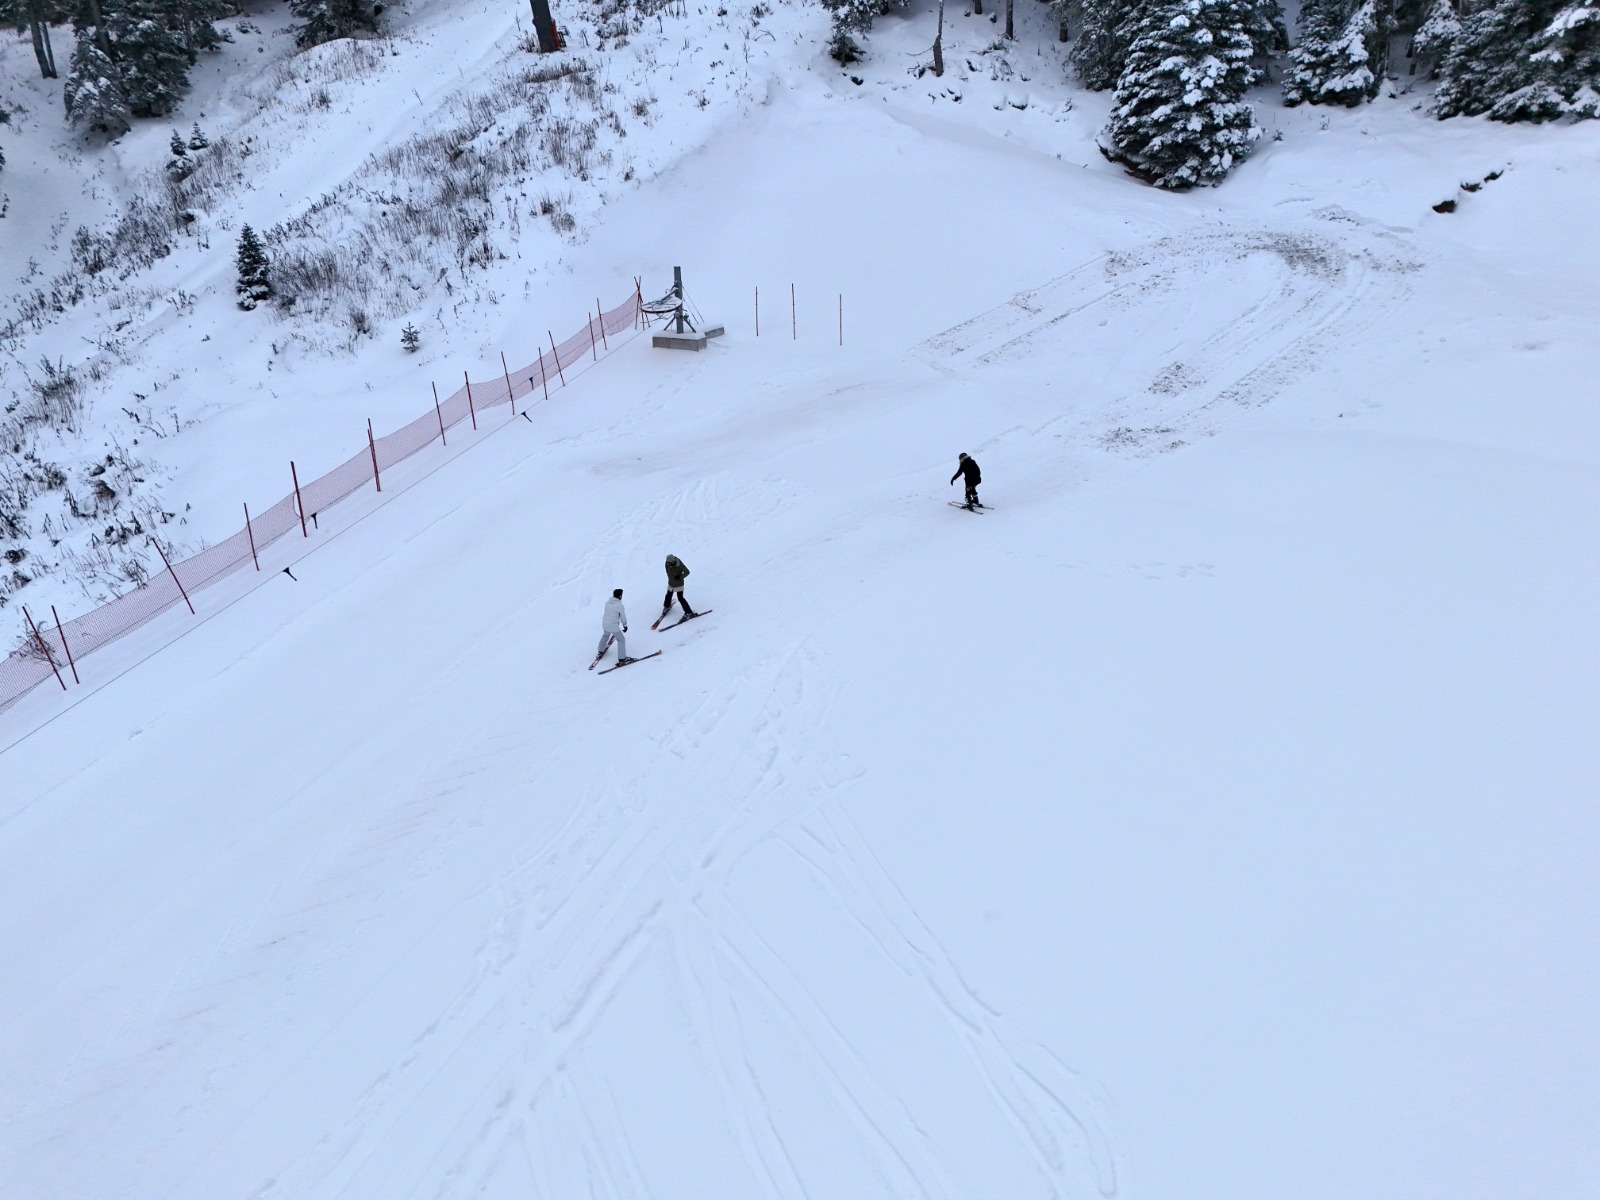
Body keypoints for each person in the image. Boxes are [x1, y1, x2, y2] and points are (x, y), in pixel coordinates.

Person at [654, 554, 698, 627]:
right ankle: (667, 606)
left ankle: (689, 612)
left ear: (673, 561)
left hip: (679, 584)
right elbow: (668, 572)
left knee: (680, 598)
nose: (668, 564)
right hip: (671, 583)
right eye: (667, 563)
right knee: (668, 594)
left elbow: (687, 572)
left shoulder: (679, 563)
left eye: (669, 563)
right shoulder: (667, 563)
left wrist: (680, 576)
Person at [592, 588, 629, 668]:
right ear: (619, 596)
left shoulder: (607, 603)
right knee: (621, 639)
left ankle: (600, 651)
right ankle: (622, 658)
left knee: (605, 635)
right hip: (613, 626)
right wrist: (625, 625)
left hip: (605, 624)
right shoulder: (619, 605)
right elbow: (623, 617)